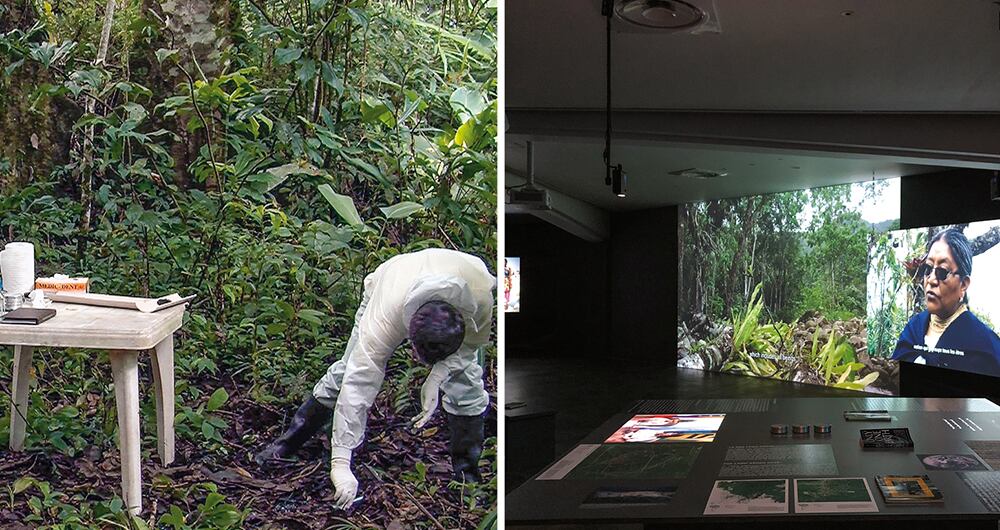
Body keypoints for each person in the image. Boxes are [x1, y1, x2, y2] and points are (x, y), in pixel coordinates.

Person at [255, 248, 495, 509]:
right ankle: (288, 443)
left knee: (468, 386)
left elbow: (470, 344)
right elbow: (358, 383)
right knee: (345, 371)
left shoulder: (480, 295)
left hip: (458, 271)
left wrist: (437, 377)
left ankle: (467, 480)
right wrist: (341, 463)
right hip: (389, 280)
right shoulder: (384, 318)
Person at [890, 228, 1000, 376]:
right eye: (927, 269)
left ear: (963, 285)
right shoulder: (913, 328)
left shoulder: (985, 345)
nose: (931, 280)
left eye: (942, 271)